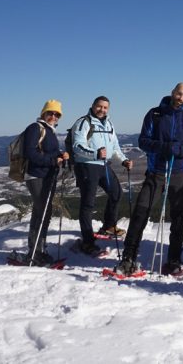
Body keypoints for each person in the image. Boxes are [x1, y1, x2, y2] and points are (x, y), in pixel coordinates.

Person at [113, 83, 183, 277]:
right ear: (172, 92)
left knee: (178, 217)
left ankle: (174, 259)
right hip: (156, 172)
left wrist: (180, 150)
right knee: (140, 213)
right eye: (179, 93)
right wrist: (163, 147)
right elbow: (143, 141)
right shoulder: (154, 114)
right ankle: (129, 257)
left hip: (179, 172)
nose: (181, 98)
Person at [69, 96, 133, 256]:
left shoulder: (109, 124)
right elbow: (77, 146)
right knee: (88, 203)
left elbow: (115, 146)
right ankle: (87, 241)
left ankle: (109, 226)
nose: (102, 110)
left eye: (105, 107)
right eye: (99, 106)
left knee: (116, 193)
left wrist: (123, 160)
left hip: (104, 165)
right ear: (93, 106)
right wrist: (95, 153)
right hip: (87, 166)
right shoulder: (83, 122)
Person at [19, 100, 69, 266]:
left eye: (56, 114)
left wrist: (61, 156)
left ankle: (39, 249)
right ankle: (35, 252)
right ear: (43, 113)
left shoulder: (50, 131)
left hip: (47, 176)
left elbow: (50, 152)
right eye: (50, 113)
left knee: (43, 213)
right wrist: (53, 160)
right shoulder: (35, 128)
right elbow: (30, 153)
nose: (53, 116)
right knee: (42, 213)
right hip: (36, 176)